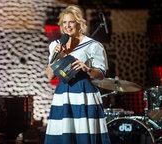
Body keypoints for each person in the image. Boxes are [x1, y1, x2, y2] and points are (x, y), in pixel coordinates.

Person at [44, 5, 111, 144]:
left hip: (84, 93)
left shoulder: (93, 45)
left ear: (79, 23)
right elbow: (50, 75)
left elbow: (101, 74)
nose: (67, 26)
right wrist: (55, 56)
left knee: (84, 136)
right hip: (63, 94)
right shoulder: (55, 45)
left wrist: (87, 69)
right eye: (64, 22)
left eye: (71, 22)